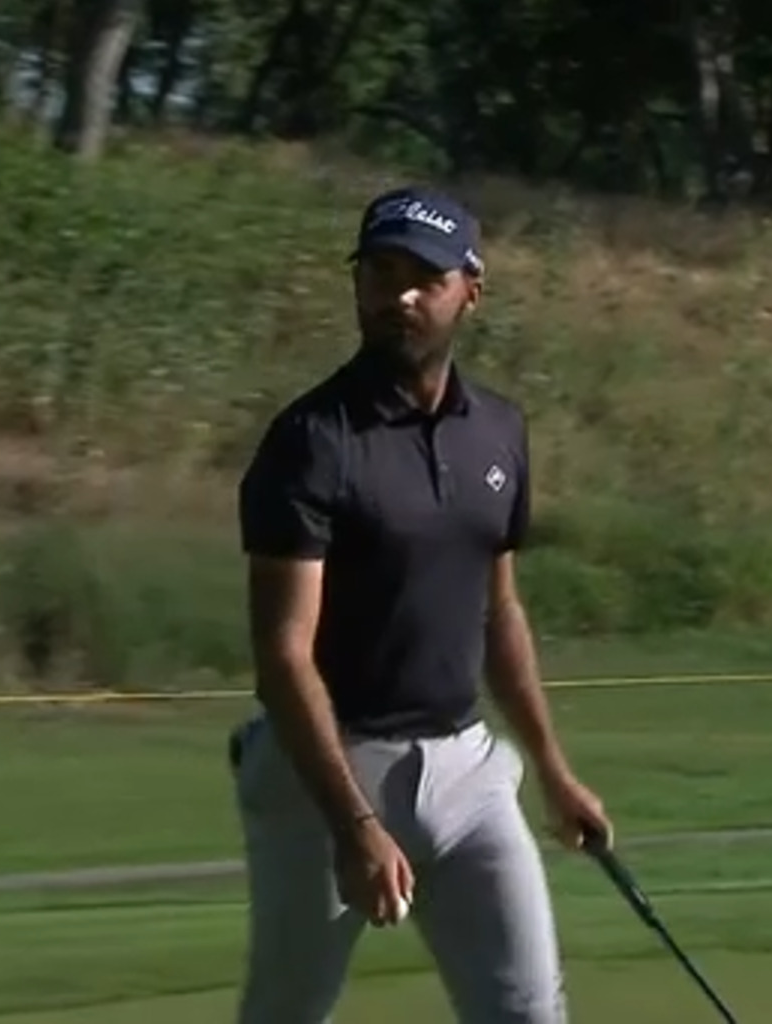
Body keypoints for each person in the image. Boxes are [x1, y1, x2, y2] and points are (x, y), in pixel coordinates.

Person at [228, 184, 613, 1024]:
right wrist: (355, 824)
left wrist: (554, 772)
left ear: (469, 289)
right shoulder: (311, 442)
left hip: (468, 769)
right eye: (380, 271)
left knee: (528, 1013)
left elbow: (497, 610)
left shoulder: (499, 431)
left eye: (423, 277)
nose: (399, 294)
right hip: (325, 772)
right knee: (287, 1011)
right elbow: (284, 655)